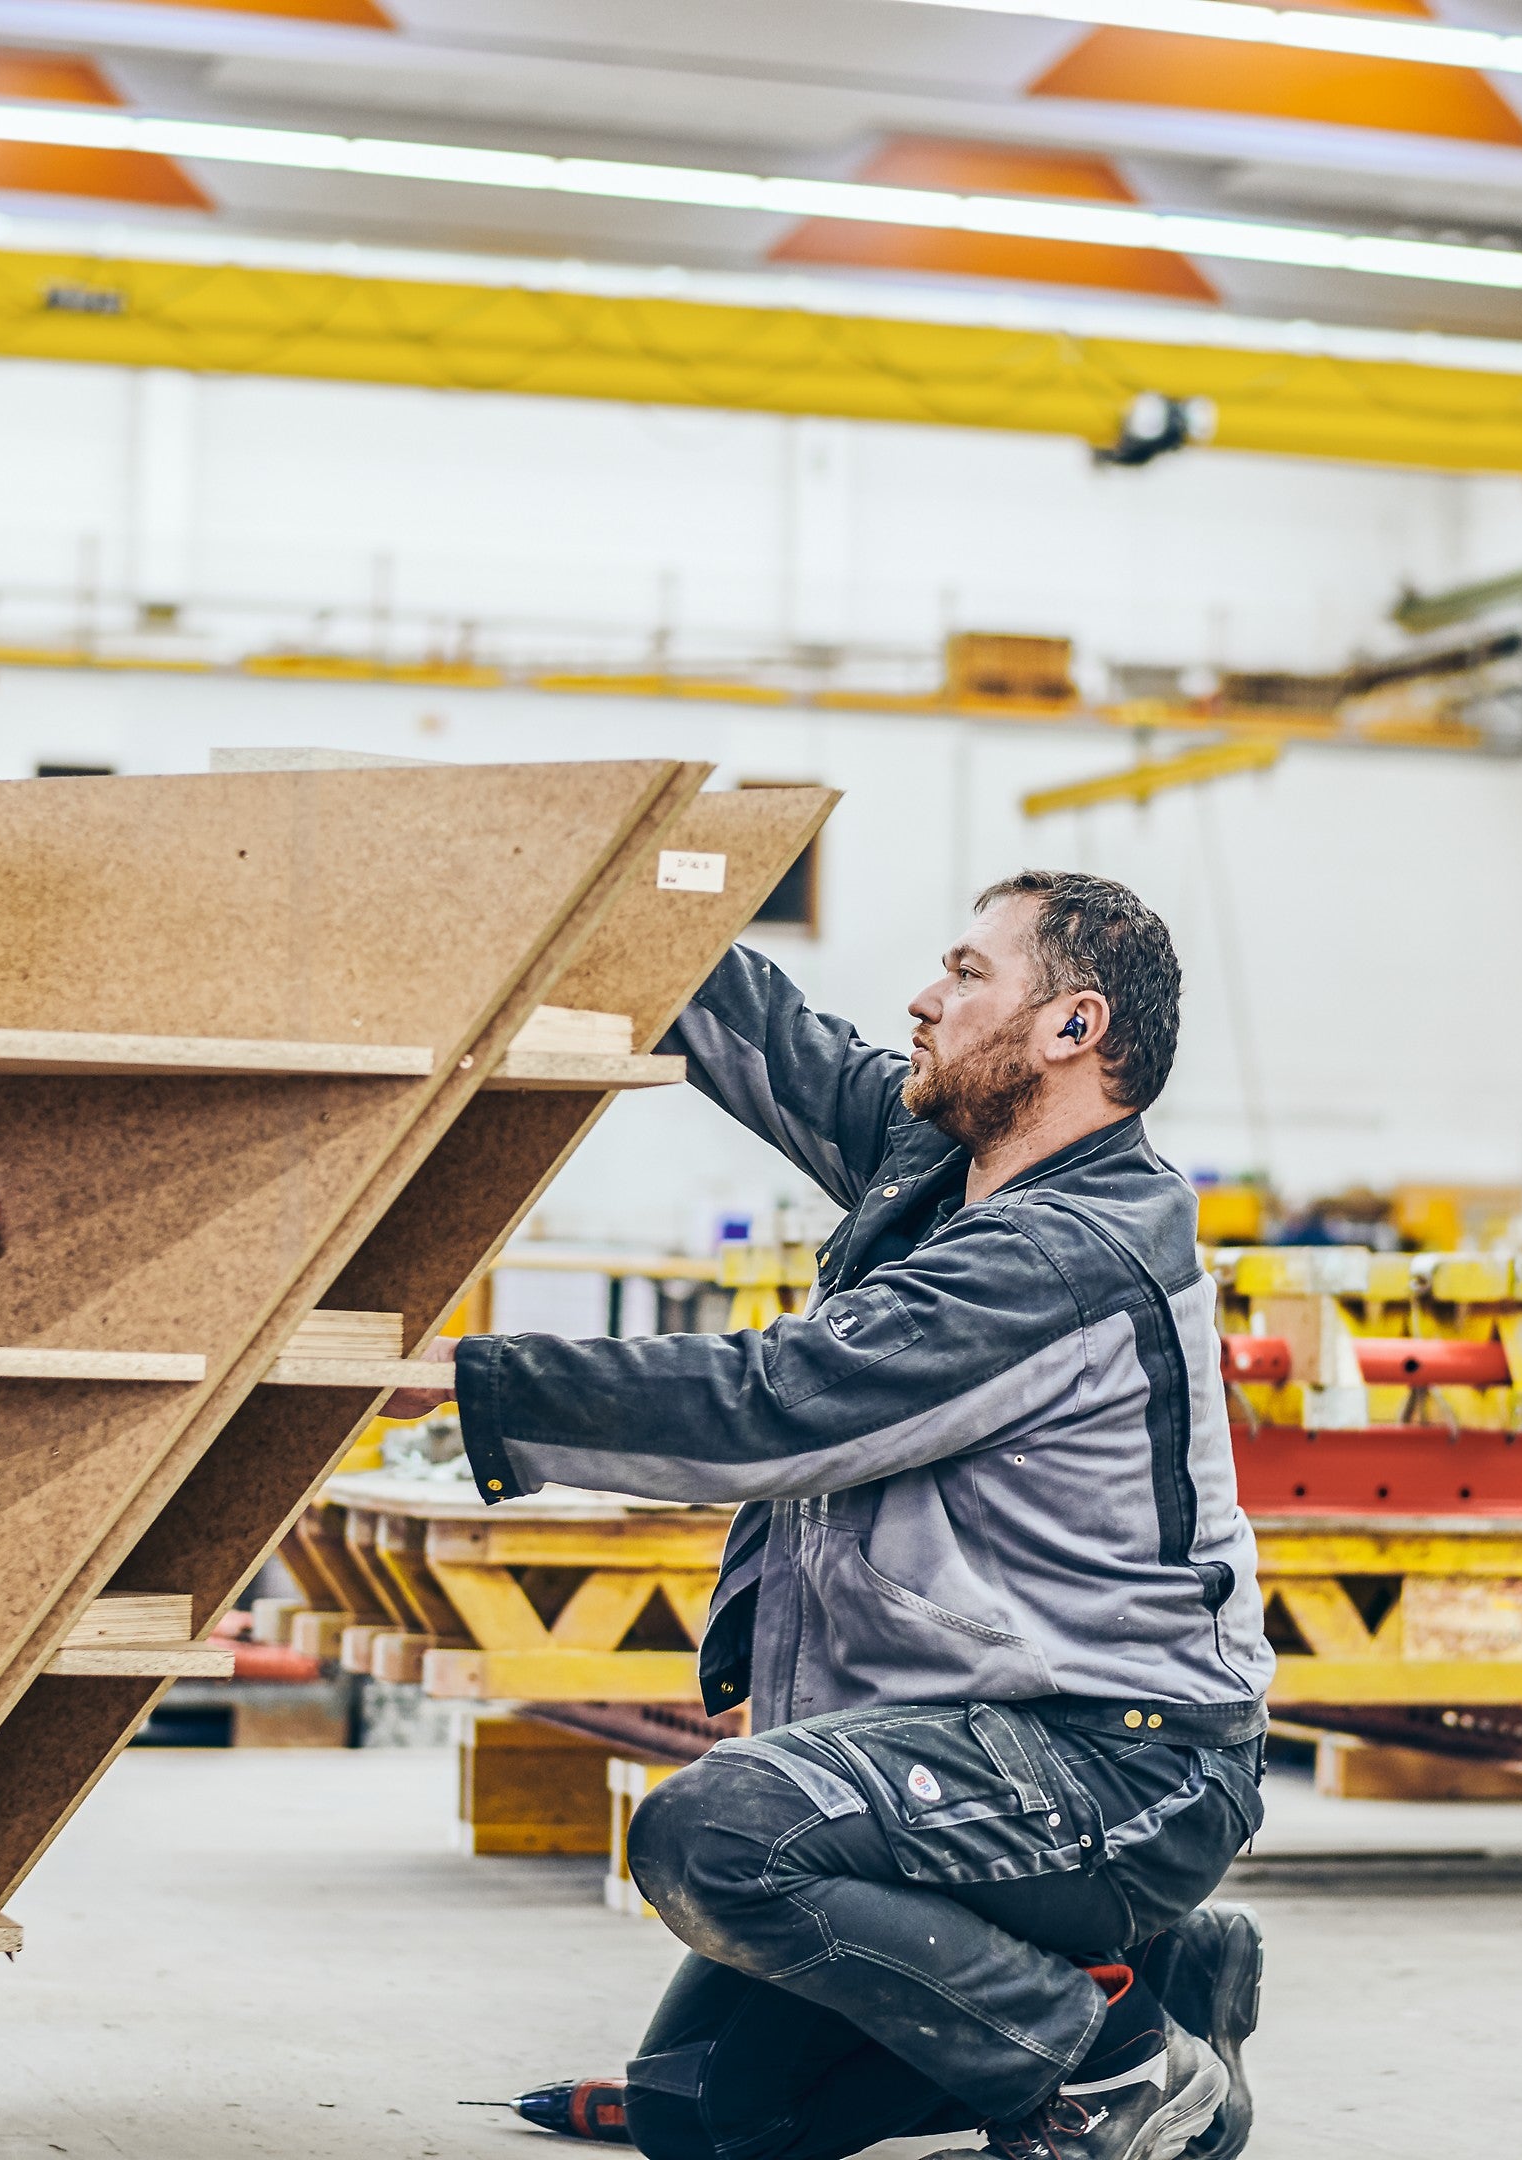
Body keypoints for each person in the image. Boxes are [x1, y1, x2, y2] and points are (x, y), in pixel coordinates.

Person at [385, 870, 1273, 2160]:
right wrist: (614, 877)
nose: (924, 996)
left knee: (718, 1839)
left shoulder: (1067, 1249)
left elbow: (778, 1407)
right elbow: (775, 1046)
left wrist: (467, 1379)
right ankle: (1163, 1974)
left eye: (970, 974)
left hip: (1118, 1758)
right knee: (713, 2117)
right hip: (982, 1745)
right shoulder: (950, 1168)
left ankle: (1117, 2072)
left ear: (1072, 1028)